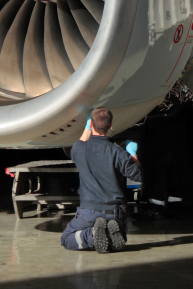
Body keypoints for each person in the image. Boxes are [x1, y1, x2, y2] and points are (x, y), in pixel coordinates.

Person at [60, 108, 142, 254]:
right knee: (116, 241)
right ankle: (110, 235)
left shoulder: (79, 149)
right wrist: (133, 154)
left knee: (66, 239)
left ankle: (92, 235)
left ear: (90, 124)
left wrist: (88, 126)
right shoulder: (118, 152)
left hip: (89, 212)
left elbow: (82, 141)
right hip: (116, 212)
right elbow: (138, 176)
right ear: (111, 126)